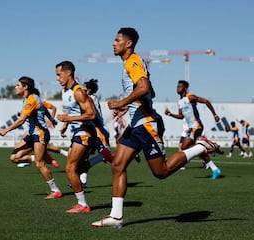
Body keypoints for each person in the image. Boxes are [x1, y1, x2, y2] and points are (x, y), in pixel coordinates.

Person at [91, 27, 223, 228]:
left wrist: (120, 103)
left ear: (129, 43)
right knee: (117, 165)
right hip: (136, 124)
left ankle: (201, 147)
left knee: (161, 172)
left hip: (146, 124)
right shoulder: (132, 63)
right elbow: (150, 92)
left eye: (117, 40)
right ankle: (116, 216)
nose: (113, 43)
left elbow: (144, 88)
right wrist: (128, 104)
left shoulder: (133, 61)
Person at [0, 76, 62, 199]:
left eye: (18, 85)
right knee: (14, 158)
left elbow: (22, 120)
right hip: (32, 134)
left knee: (40, 164)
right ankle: (39, 156)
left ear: (25, 87)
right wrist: (51, 119)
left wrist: (6, 130)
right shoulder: (28, 98)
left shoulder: (32, 99)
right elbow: (43, 109)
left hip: (40, 134)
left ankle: (55, 191)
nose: (15, 87)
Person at [55, 60, 97, 213]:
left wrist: (69, 120)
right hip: (76, 133)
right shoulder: (65, 91)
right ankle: (82, 203)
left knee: (70, 168)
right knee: (76, 168)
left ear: (69, 73)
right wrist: (65, 124)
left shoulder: (78, 91)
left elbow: (91, 114)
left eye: (59, 75)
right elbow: (72, 111)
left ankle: (83, 205)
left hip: (84, 133)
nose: (57, 78)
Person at [164, 80, 222, 179]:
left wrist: (215, 114)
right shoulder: (179, 102)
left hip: (197, 126)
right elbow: (181, 116)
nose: (178, 88)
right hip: (191, 127)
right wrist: (170, 114)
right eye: (177, 86)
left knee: (185, 146)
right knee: (196, 150)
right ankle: (215, 168)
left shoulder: (190, 97)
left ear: (185, 88)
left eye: (180, 86)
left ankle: (207, 146)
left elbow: (206, 101)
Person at [73, 78, 114, 188]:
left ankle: (130, 154)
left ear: (89, 90)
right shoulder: (87, 98)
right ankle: (82, 181)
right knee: (84, 156)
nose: (81, 89)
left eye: (84, 88)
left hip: (98, 130)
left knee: (106, 155)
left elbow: (92, 115)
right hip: (91, 129)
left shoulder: (90, 98)